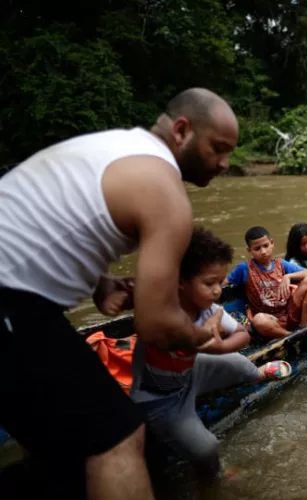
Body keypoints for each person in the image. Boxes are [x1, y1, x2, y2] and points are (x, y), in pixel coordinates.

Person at [0, 88, 238, 499]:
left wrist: (101, 281)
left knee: (63, 452)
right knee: (120, 439)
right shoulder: (166, 190)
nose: (225, 163)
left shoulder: (117, 147)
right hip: (12, 301)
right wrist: (203, 334)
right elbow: (157, 326)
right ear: (182, 130)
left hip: (22, 299)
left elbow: (43, 222)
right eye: (217, 148)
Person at [131, 227, 291, 481]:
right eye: (209, 283)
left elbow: (242, 334)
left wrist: (219, 348)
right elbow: (165, 336)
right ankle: (214, 478)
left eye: (220, 282)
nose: (218, 291)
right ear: (181, 282)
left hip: (191, 370)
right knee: (207, 448)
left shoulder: (208, 308)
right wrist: (201, 338)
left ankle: (257, 376)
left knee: (240, 363)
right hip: (160, 396)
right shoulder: (161, 307)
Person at [226, 227, 307, 339]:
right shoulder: (244, 268)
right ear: (249, 251)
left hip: (289, 312)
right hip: (270, 321)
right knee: (259, 320)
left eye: (265, 246)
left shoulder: (281, 264)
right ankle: (291, 336)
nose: (263, 252)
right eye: (257, 249)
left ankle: (305, 327)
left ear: (272, 243)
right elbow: (224, 282)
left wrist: (288, 276)